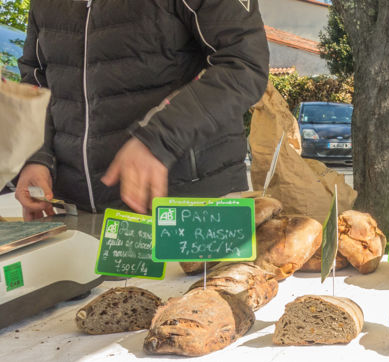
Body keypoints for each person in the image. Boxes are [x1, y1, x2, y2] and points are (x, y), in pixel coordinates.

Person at [14, 0, 270, 220]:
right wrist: (36, 157)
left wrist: (160, 138)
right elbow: (36, 80)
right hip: (75, 215)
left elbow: (243, 64)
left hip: (192, 205)